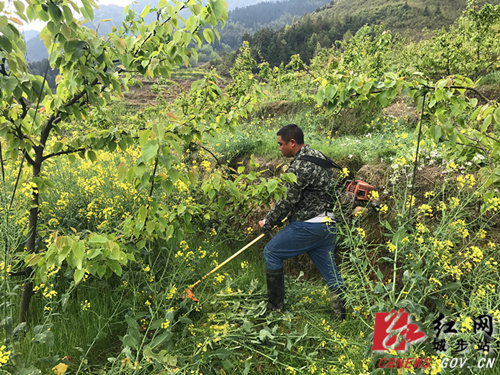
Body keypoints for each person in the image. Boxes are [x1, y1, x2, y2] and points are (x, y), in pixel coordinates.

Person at [258, 124, 346, 319]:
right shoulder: (319, 157)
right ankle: (340, 316)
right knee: (331, 274)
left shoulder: (300, 166)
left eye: (281, 144)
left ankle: (275, 309)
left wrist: (268, 222)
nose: (279, 148)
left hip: (309, 226)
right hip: (328, 225)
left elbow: (287, 199)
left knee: (271, 252)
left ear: (292, 142)